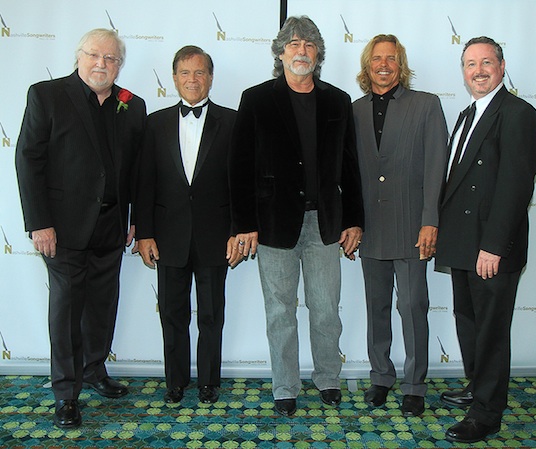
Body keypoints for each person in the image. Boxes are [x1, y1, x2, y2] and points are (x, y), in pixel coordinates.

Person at [228, 15, 364, 417]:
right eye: (293, 44)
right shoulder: (256, 99)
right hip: (272, 226)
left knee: (325, 310)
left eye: (308, 44)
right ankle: (285, 386)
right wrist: (243, 225)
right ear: (280, 52)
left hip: (326, 225)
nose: (300, 51)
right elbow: (239, 166)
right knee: (279, 313)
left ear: (318, 53)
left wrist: (354, 219)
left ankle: (327, 379)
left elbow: (350, 166)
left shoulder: (338, 100)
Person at [15, 29, 146, 429]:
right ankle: (66, 393)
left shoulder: (132, 105)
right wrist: (40, 223)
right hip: (63, 230)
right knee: (68, 313)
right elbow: (28, 160)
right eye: (95, 55)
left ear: (120, 65)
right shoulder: (47, 95)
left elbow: (139, 169)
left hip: (111, 227)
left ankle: (94, 370)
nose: (102, 64)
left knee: (103, 307)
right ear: (79, 56)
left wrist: (137, 218)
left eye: (111, 59)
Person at [437, 36, 536, 443]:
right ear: (463, 72)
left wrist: (494, 246)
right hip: (463, 242)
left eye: (485, 62)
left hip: (490, 248)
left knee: (491, 332)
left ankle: (487, 414)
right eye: (469, 64)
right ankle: (476, 386)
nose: (478, 70)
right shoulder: (467, 114)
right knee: (469, 324)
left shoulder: (518, 114)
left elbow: (516, 187)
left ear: (501, 65)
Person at [352, 34, 448, 417]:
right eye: (377, 58)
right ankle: (380, 377)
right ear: (367, 64)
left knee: (412, 306)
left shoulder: (426, 105)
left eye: (391, 58)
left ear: (400, 64)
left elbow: (436, 168)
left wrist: (430, 222)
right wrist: (351, 223)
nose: (384, 64)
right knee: (376, 307)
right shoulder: (354, 110)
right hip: (370, 228)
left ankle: (414, 385)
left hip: (412, 227)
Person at [136, 46, 236, 405]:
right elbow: (144, 182)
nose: (192, 80)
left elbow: (240, 184)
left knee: (211, 316)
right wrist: (144, 232)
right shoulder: (155, 122)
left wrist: (238, 231)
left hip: (216, 237)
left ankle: (209, 381)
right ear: (174, 78)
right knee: (173, 316)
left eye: (200, 73)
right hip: (168, 237)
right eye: (185, 73)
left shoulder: (233, 121)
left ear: (210, 77)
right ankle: (175, 381)